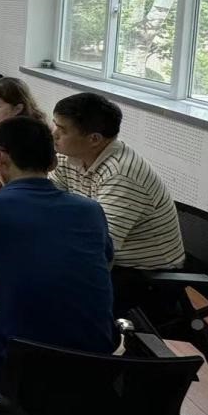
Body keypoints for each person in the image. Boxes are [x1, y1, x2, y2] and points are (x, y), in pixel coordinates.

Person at [0, 117, 116, 364]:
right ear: (53, 162)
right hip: (96, 355)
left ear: (0, 158)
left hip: (19, 353)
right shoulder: (90, 209)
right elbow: (106, 260)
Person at [51, 92, 185, 280]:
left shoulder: (121, 175)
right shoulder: (70, 156)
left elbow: (101, 246)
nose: (54, 134)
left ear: (94, 139)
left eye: (62, 130)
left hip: (143, 274)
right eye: (55, 125)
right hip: (106, 256)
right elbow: (47, 201)